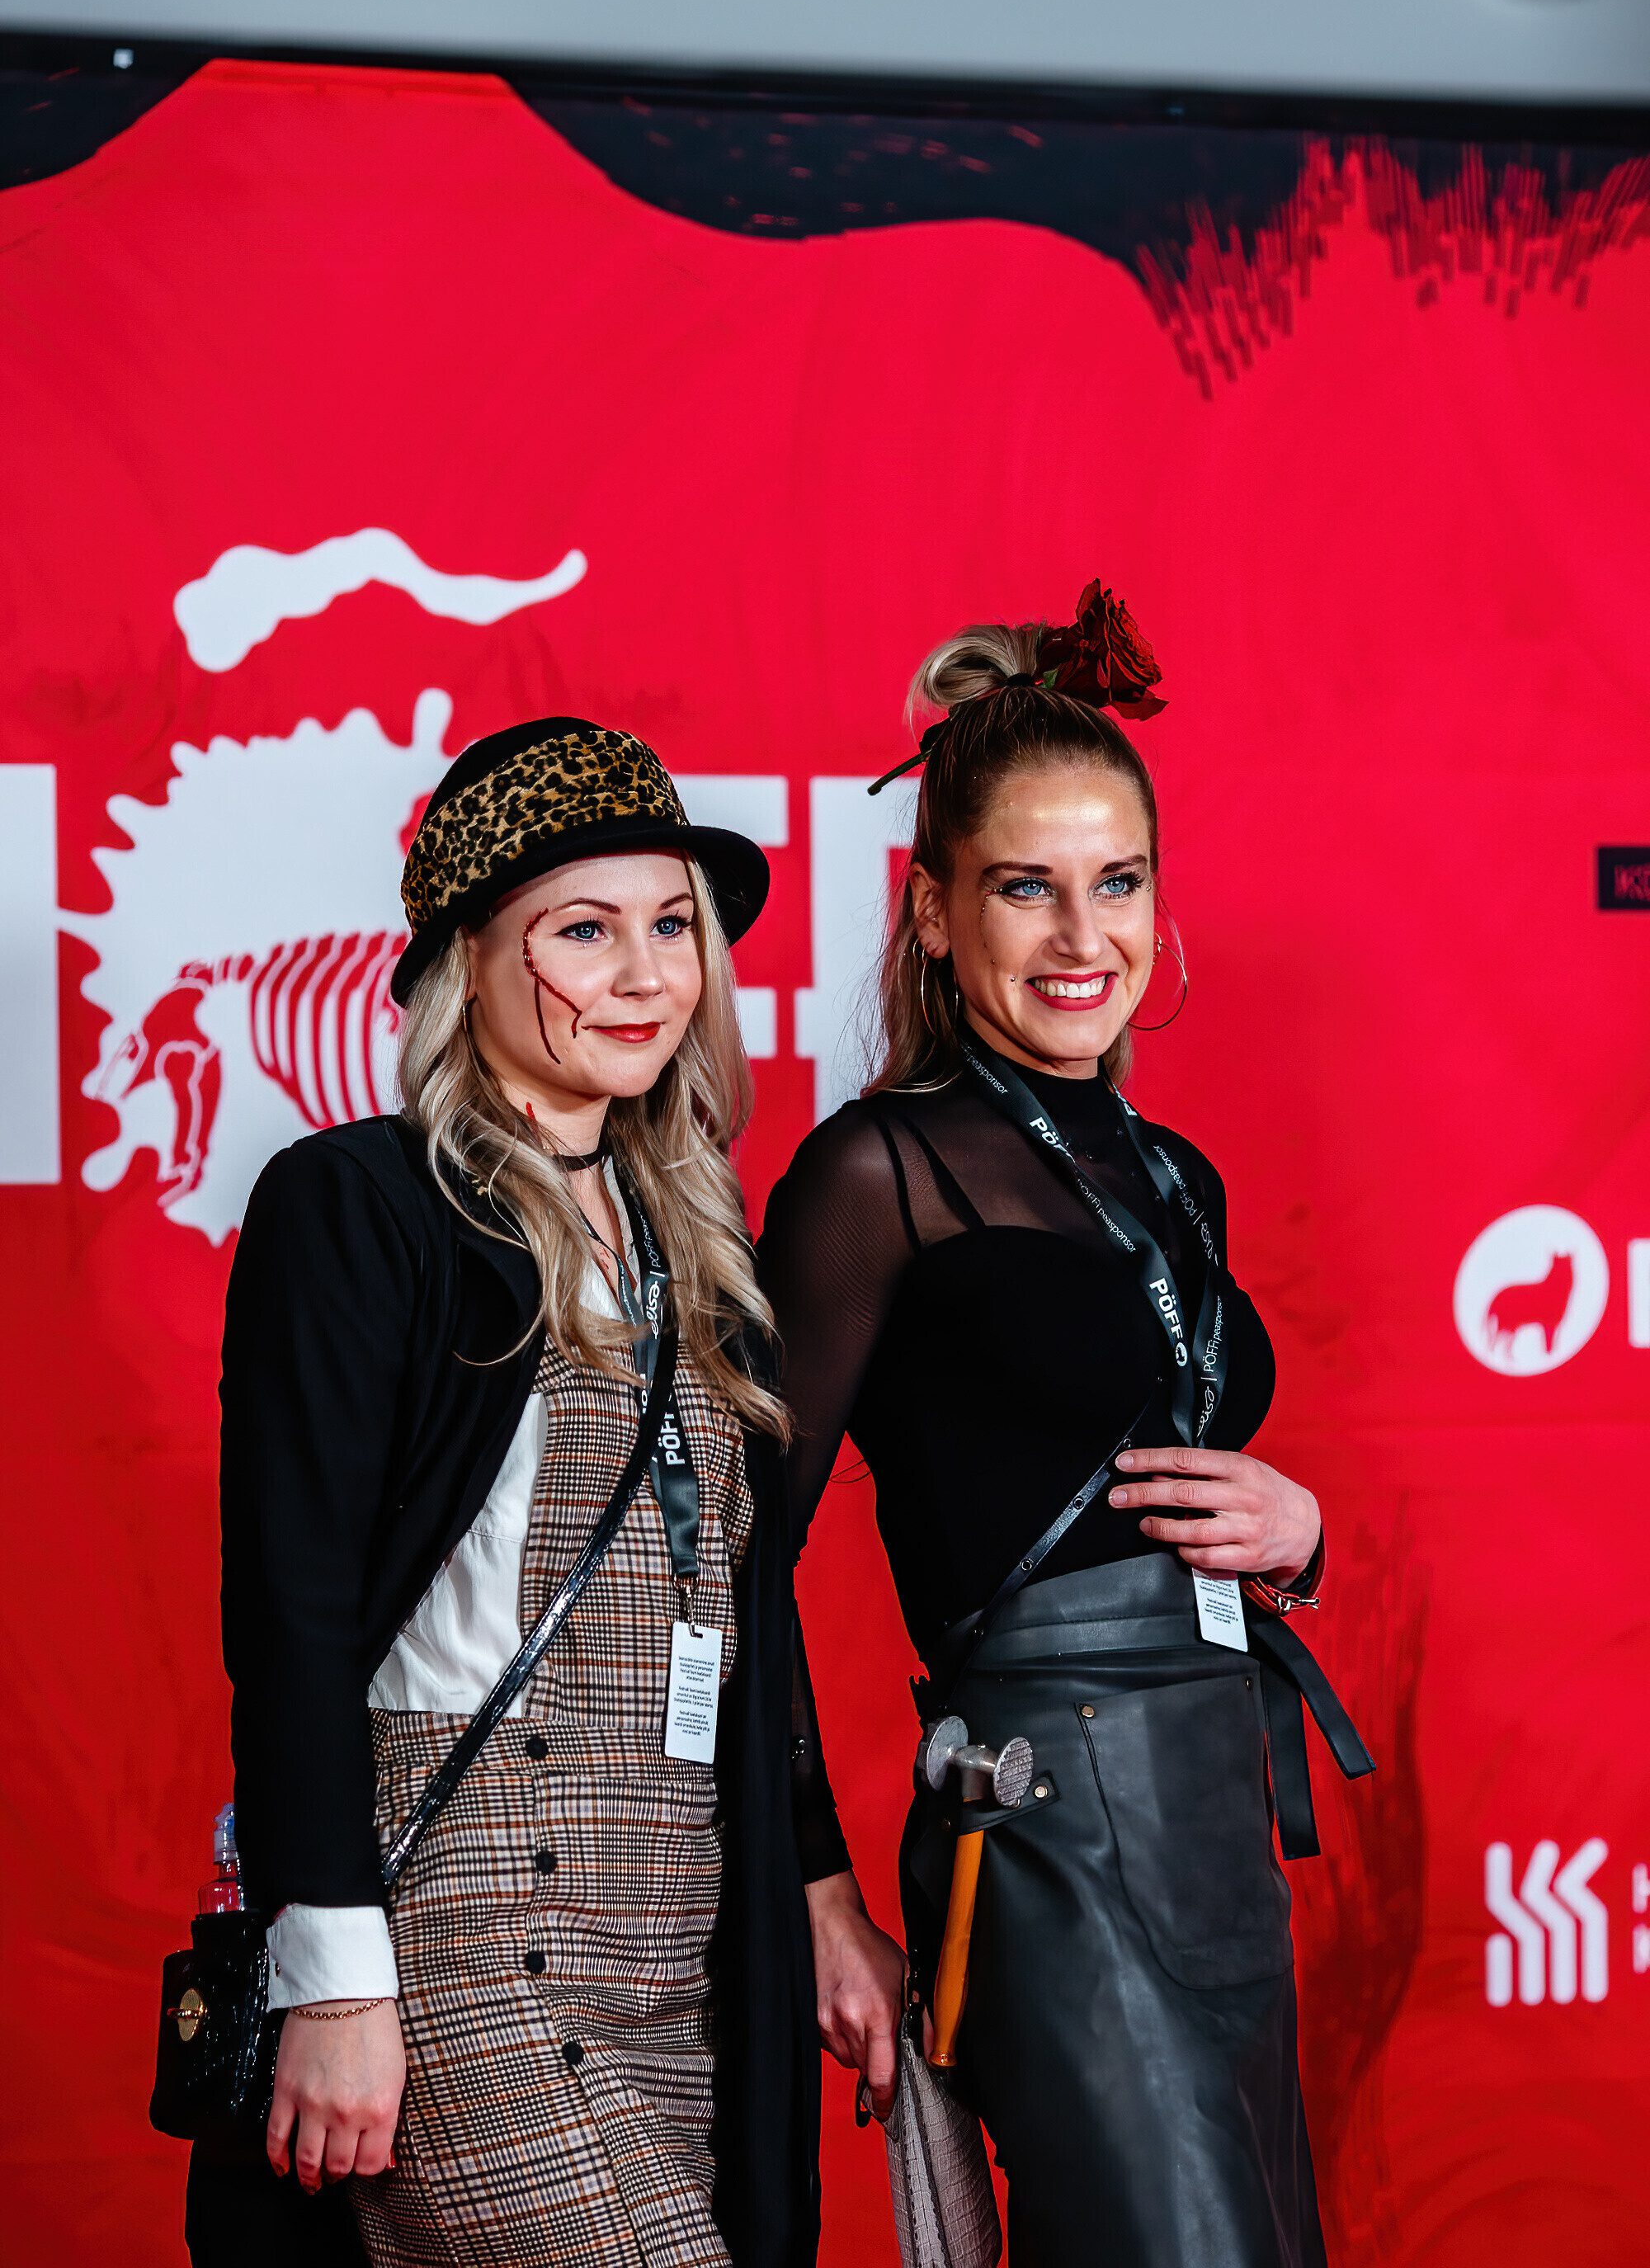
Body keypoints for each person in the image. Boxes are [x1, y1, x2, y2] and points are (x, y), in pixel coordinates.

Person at [188, 714, 895, 2268]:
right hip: (466, 1934)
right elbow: (292, 1616)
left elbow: (748, 1615)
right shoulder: (359, 1205)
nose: (644, 976)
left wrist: (820, 1891)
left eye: (671, 927)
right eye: (584, 931)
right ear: (470, 961)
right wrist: (334, 1978)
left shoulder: (702, 1245)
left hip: (681, 1951)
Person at [761, 591, 1372, 2268]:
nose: (1079, 935)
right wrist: (816, 1892)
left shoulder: (1175, 1178)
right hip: (1042, 1823)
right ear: (935, 910)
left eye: (1118, 883)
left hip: (1214, 1809)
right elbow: (725, 1560)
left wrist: (1300, 1536)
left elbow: (1151, 1467)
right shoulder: (875, 1175)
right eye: (1025, 886)